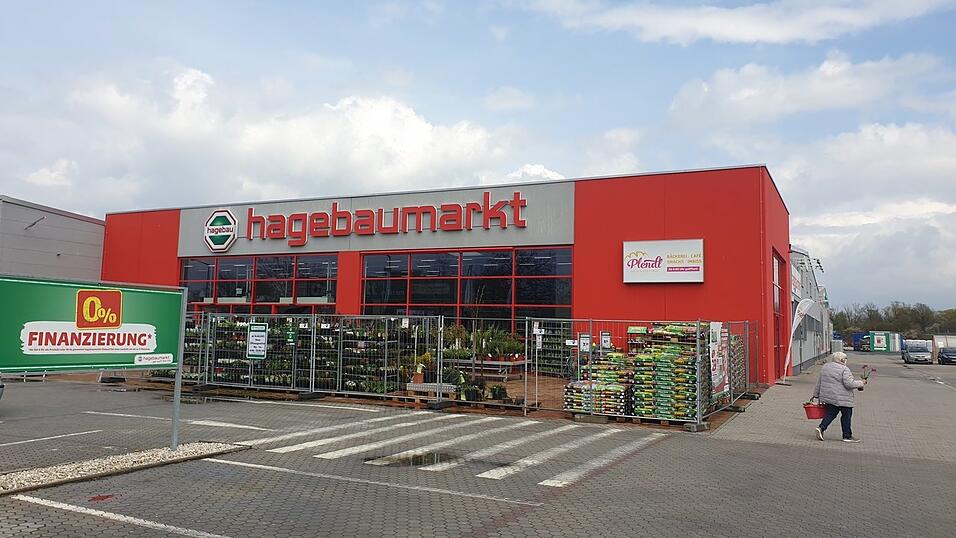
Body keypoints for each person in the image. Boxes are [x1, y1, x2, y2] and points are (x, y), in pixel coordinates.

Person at [813, 351, 866, 443]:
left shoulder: (826, 367)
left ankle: (821, 428)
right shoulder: (844, 369)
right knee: (846, 416)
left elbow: (819, 382)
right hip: (843, 398)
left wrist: (816, 395)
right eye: (845, 358)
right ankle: (847, 436)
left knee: (830, 414)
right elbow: (849, 384)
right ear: (842, 359)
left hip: (830, 397)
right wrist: (862, 383)